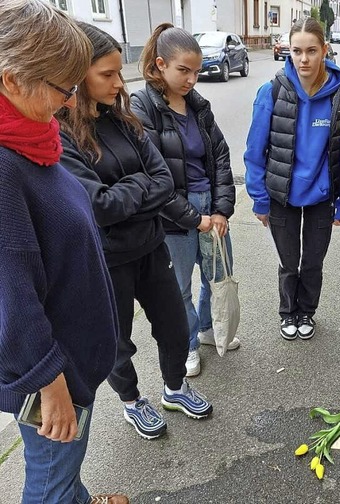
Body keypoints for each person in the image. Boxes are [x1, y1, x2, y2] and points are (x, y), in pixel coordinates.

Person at [56, 23, 212, 441]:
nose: (117, 82)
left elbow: (162, 179)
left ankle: (175, 388)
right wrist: (139, 186)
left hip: (149, 244)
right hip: (107, 261)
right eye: (106, 74)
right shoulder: (63, 134)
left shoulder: (122, 118)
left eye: (117, 72)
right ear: (77, 76)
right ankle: (131, 402)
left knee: (175, 327)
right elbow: (99, 208)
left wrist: (131, 190)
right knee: (117, 342)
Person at [0, 2, 128, 502]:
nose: (73, 101)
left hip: (73, 362)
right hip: (54, 375)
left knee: (63, 470)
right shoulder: (6, 169)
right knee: (50, 481)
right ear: (12, 79)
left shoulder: (33, 138)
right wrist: (47, 382)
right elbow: (11, 298)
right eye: (64, 88)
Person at [131, 23, 237, 378]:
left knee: (217, 275)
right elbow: (152, 177)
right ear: (160, 64)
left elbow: (220, 155)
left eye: (196, 70)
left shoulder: (197, 105)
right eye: (184, 70)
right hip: (173, 216)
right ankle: (188, 344)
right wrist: (194, 218)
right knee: (180, 290)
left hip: (210, 205)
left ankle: (207, 330)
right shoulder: (142, 106)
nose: (193, 79)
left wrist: (221, 209)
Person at [244, 17, 340, 340]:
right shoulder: (272, 92)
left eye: (311, 50)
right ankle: (287, 312)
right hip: (281, 195)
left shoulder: (337, 96)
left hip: (322, 196)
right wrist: (259, 199)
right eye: (296, 51)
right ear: (289, 52)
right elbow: (255, 152)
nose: (304, 59)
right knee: (289, 262)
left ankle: (306, 310)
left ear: (324, 50)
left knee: (313, 263)